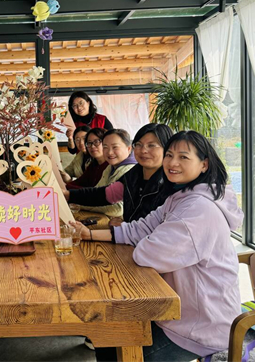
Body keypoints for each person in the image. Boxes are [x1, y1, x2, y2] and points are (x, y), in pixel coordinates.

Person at [71, 130, 243, 362]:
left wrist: (148, 238)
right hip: (175, 311)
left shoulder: (199, 210)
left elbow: (148, 254)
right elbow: (141, 228)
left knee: (115, 350)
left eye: (183, 157)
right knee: (107, 337)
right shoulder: (180, 197)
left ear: (204, 164)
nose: (172, 163)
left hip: (199, 326)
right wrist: (90, 234)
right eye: (169, 155)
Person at [66, 123, 175, 225]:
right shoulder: (134, 174)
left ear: (168, 149)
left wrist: (125, 227)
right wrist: (69, 195)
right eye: (139, 144)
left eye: (151, 145)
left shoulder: (172, 185)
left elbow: (155, 227)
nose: (143, 150)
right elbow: (104, 194)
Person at [71, 129, 136, 218]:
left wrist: (79, 205)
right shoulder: (110, 167)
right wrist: (72, 197)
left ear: (129, 149)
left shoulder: (130, 171)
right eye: (105, 147)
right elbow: (97, 192)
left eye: (115, 147)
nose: (109, 152)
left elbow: (117, 208)